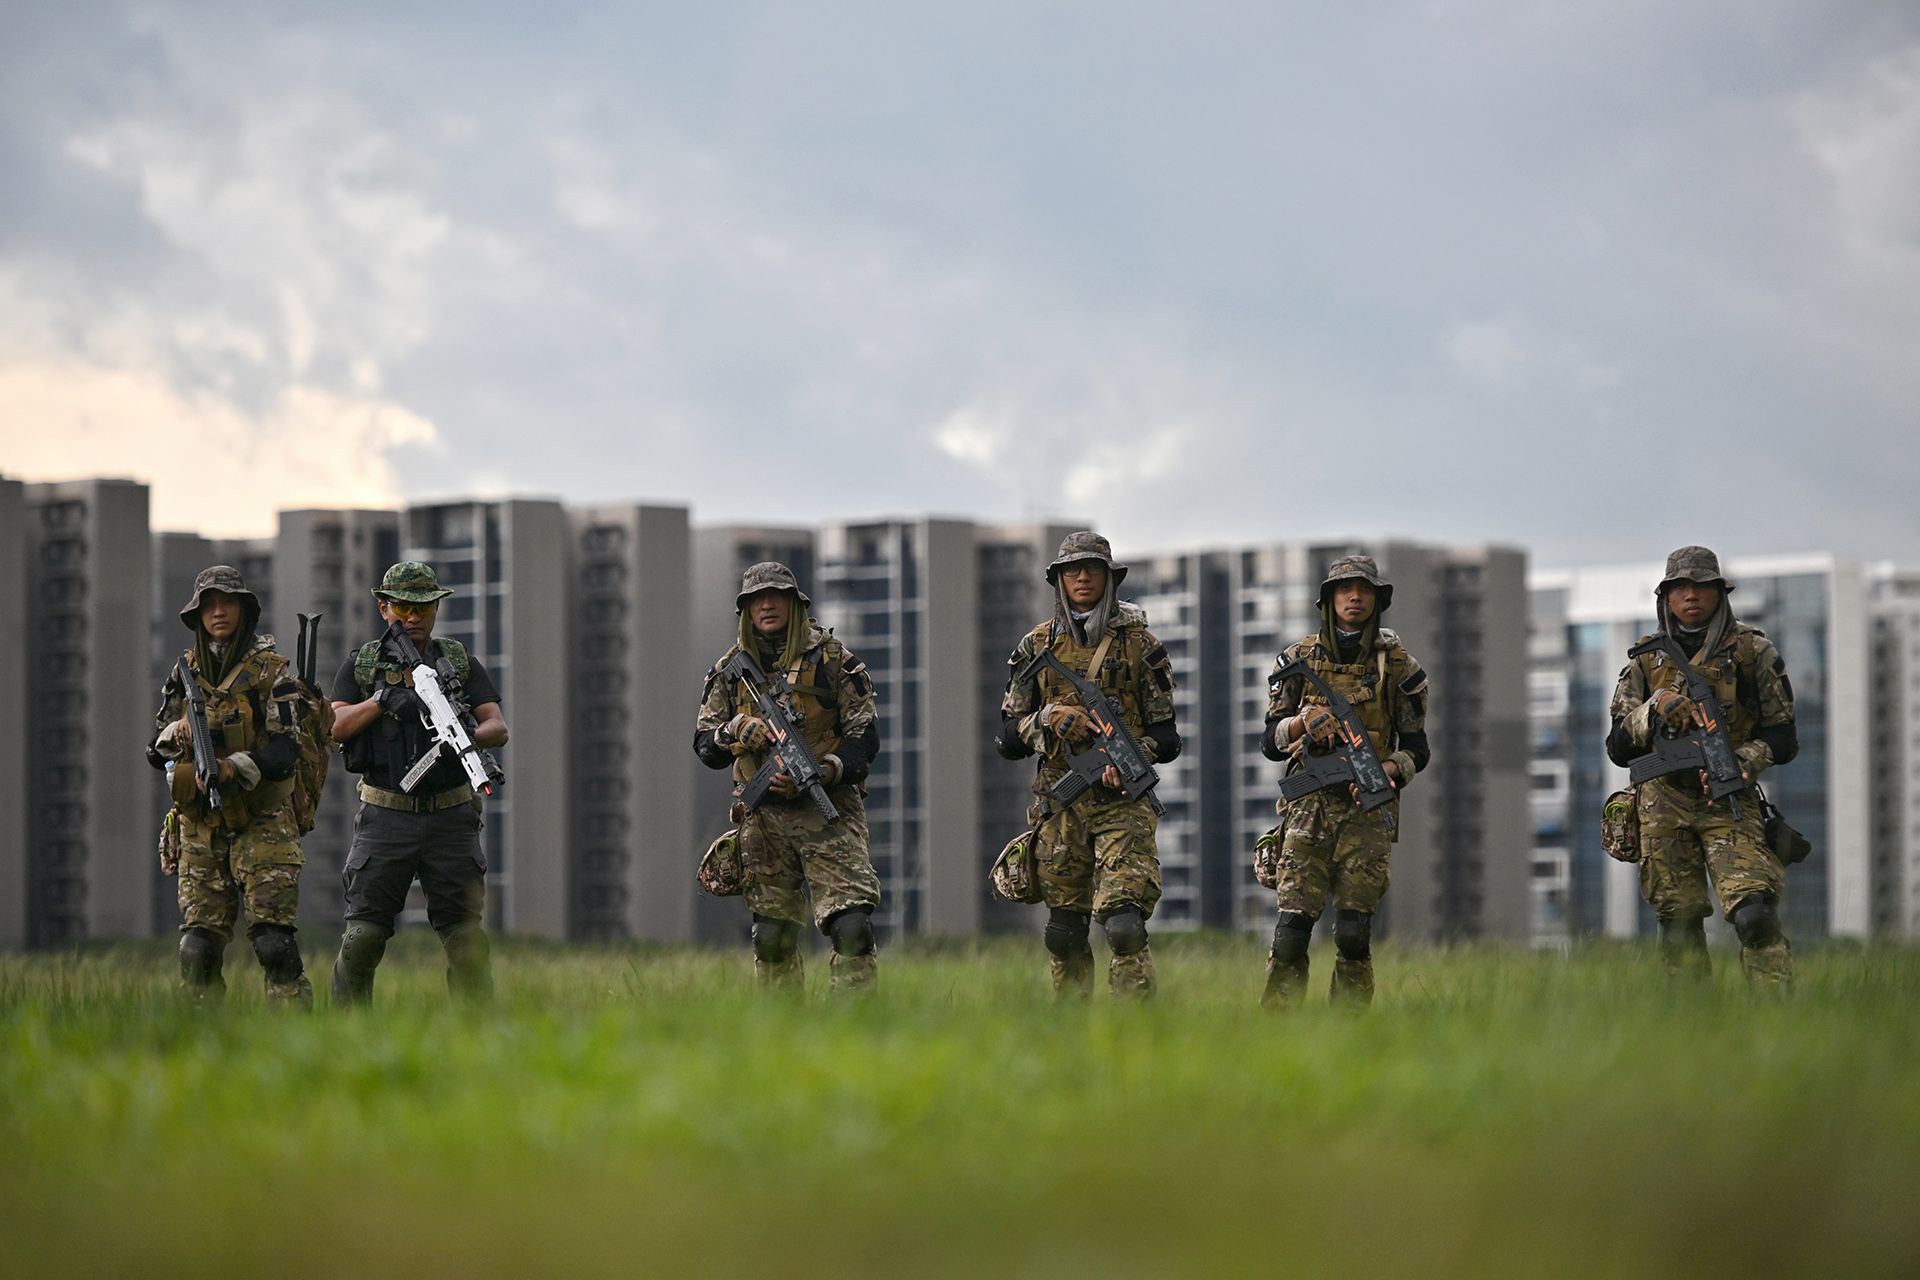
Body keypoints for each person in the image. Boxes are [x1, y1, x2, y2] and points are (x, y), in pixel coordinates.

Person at [997, 531, 1180, 997]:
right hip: (1060, 806)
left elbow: (1167, 736)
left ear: (1109, 578)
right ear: (1058, 579)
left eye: (1093, 569)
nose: (1082, 577)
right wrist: (1048, 719)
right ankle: (1072, 1030)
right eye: (1072, 570)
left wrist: (1128, 757)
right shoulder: (1035, 648)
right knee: (1064, 932)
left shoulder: (1141, 646)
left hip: (1123, 803)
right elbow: (1006, 737)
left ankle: (1135, 1030)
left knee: (1123, 925)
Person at [1606, 546, 1797, 988]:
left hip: (1729, 800)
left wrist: (1743, 761)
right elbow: (1617, 747)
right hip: (1663, 803)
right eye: (1681, 587)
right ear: (1667, 597)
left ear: (1719, 593)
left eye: (1703, 586)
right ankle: (1691, 1022)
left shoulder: (1753, 652)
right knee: (1678, 922)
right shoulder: (1645, 659)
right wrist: (1655, 709)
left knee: (1755, 915)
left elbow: (1784, 736)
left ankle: (1776, 1014)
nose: (1692, 596)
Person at [694, 562, 882, 993]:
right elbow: (705, 747)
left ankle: (857, 1023)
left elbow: (865, 738)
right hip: (763, 821)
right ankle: (782, 1028)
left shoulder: (835, 660)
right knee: (772, 937)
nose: (767, 604)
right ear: (744, 610)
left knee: (851, 926)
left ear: (796, 604)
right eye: (757, 599)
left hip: (827, 811)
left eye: (777, 596)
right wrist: (735, 730)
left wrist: (826, 770)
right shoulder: (728, 670)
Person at [327, 562, 508, 1005]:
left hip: (451, 814)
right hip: (385, 815)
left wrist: (462, 734)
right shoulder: (364, 663)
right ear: (383, 607)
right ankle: (346, 1036)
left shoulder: (459, 662)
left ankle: (477, 1038)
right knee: (363, 938)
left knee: (467, 941)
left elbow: (497, 727)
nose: (414, 618)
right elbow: (334, 725)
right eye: (404, 607)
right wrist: (383, 700)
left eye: (425, 607)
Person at [1260, 555, 1429, 1008]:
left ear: (1377, 599)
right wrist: (1301, 722)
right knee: (1292, 932)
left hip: (1366, 811)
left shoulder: (1400, 667)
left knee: (1354, 934)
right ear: (1329, 599)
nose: (1354, 598)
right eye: (1344, 589)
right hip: (1307, 810)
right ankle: (1277, 1027)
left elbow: (1417, 747)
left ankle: (1350, 1031)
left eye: (1364, 590)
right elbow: (1269, 742)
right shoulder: (1299, 660)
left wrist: (1391, 770)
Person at [148, 565, 314, 1007]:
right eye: (209, 605)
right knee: (197, 949)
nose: (219, 612)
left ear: (244, 609)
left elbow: (286, 751)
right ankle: (205, 1042)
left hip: (263, 821)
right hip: (202, 825)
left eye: (228, 603)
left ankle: (296, 1039)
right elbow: (154, 750)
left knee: (273, 944)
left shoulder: (270, 673)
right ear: (197, 615)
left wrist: (234, 766)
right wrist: (178, 735)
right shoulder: (184, 672)